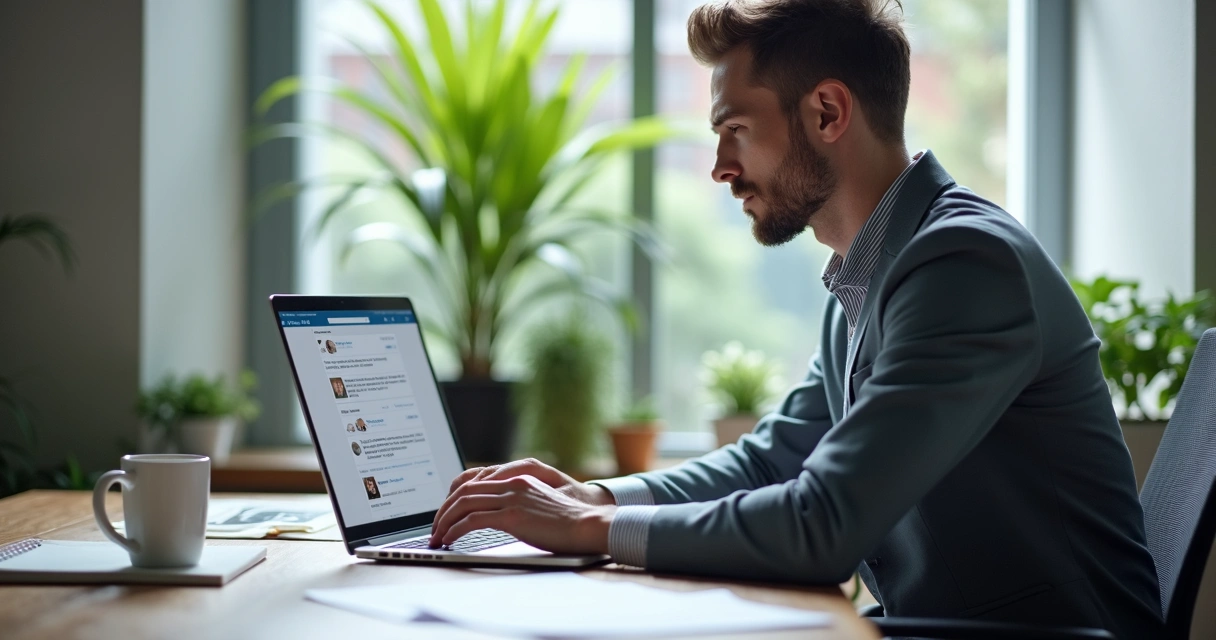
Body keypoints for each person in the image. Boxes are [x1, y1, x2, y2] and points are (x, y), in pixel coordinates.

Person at [426, 1, 1162, 637]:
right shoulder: (872, 272)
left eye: (736, 128)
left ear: (827, 112)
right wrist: (598, 496)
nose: (719, 166)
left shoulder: (964, 265)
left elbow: (822, 524)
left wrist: (589, 531)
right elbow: (772, 459)